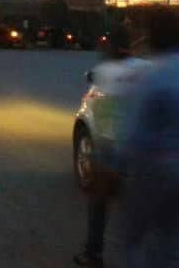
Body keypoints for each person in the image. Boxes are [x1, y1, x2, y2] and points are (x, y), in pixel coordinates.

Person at [122, 6, 179, 268]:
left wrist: (116, 163)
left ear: (152, 36)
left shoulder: (151, 74)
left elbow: (135, 131)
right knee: (173, 244)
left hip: (154, 167)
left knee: (132, 242)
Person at [73, 17, 148, 267]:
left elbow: (96, 86)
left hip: (109, 152)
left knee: (98, 206)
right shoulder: (144, 68)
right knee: (137, 211)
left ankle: (94, 254)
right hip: (142, 149)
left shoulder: (104, 72)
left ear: (110, 47)